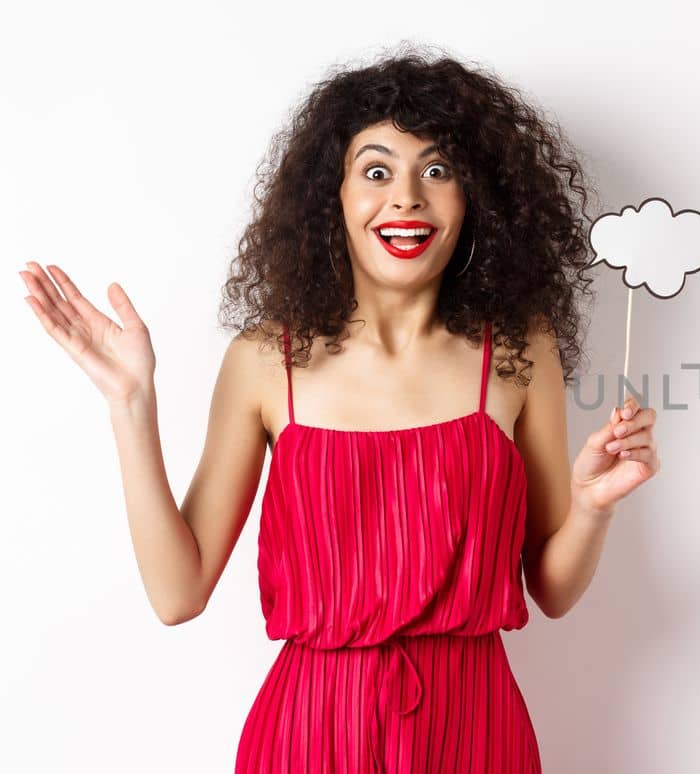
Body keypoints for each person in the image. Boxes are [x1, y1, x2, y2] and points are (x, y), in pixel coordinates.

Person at [17, 46, 660, 772]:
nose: (408, 198)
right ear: (334, 196)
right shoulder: (265, 363)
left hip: (475, 734)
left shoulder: (518, 353)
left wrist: (592, 506)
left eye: (439, 170)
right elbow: (177, 593)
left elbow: (551, 589)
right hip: (311, 734)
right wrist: (131, 404)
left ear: (476, 197)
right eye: (377, 170)